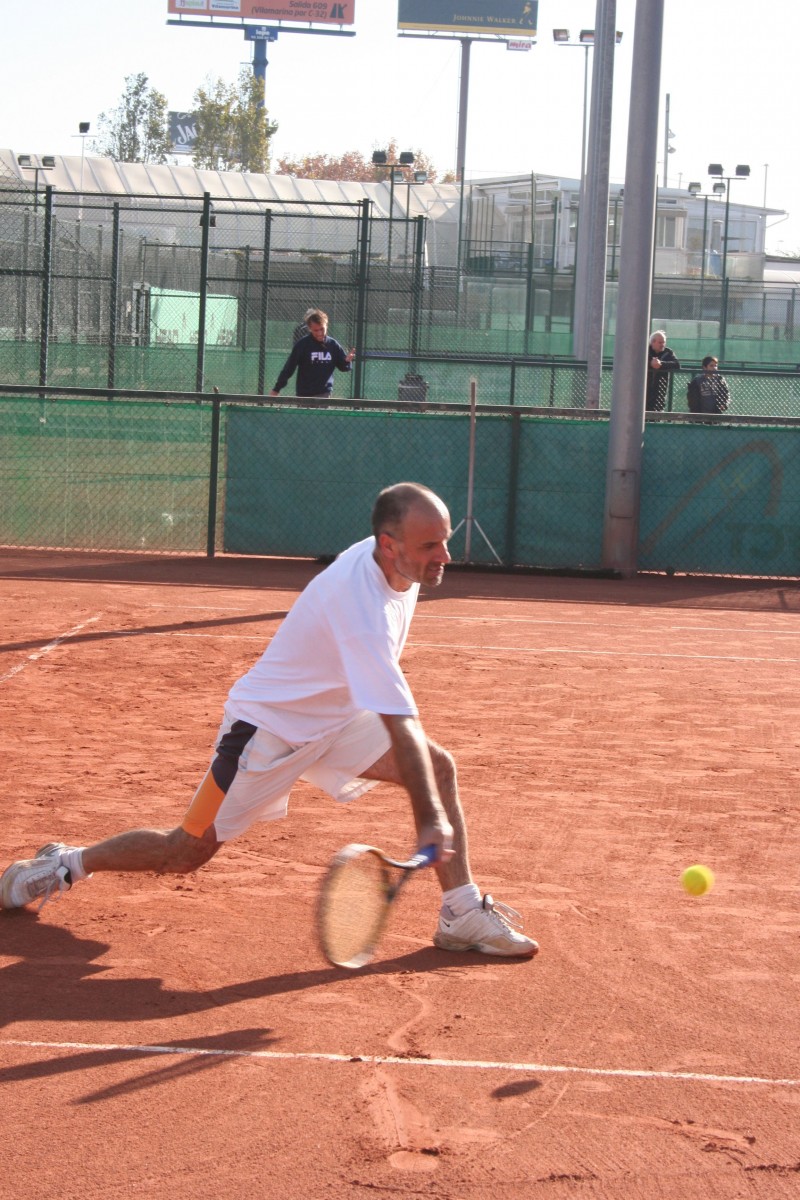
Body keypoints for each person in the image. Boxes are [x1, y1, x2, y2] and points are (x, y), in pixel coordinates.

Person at [1, 483, 537, 959]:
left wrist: (431, 811)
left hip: (335, 718)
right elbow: (400, 724)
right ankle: (68, 863)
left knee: (439, 768)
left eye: (445, 540)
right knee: (184, 851)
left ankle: (460, 912)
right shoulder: (362, 610)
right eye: (430, 546)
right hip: (265, 732)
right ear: (388, 545)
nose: (445, 555)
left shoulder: (402, 563)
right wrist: (430, 822)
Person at [270, 309, 355, 399]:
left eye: (322, 329)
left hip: (324, 393)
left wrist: (346, 361)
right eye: (316, 330)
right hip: (304, 393)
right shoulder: (302, 345)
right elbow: (289, 368)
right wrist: (276, 389)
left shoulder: (333, 345)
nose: (320, 333)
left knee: (321, 412)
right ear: (310, 329)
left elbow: (343, 367)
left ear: (326, 325)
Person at [646, 330, 680, 411]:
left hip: (660, 391)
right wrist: (650, 363)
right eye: (660, 342)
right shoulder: (645, 351)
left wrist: (661, 364)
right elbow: (637, 361)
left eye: (663, 342)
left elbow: (677, 364)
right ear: (653, 342)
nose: (663, 345)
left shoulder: (668, 352)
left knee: (658, 413)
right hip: (644, 390)